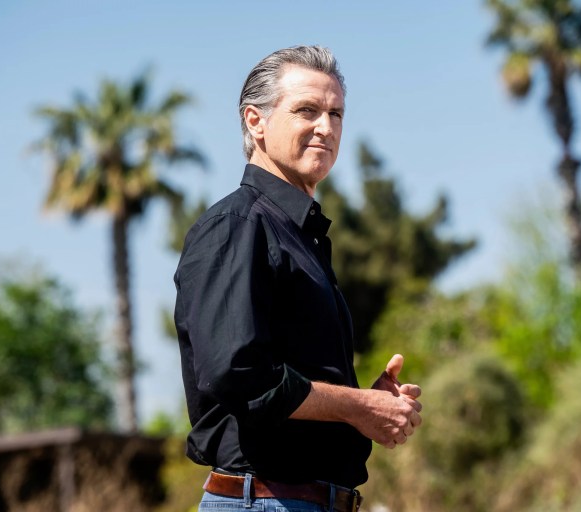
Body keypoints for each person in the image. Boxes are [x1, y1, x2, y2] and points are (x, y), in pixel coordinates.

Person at [173, 45, 422, 512]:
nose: (326, 127)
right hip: (264, 502)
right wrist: (358, 406)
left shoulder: (299, 236)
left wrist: (363, 406)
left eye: (336, 113)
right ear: (255, 122)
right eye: (307, 110)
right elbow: (240, 375)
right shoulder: (237, 224)